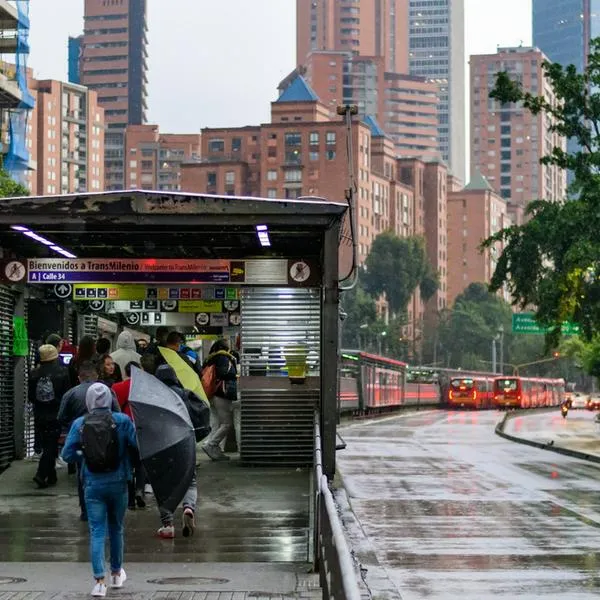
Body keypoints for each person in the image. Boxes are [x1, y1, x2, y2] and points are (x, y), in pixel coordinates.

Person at [61, 383, 137, 598]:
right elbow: (137, 445)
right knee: (117, 528)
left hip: (92, 484)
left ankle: (99, 582)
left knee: (97, 531)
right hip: (119, 481)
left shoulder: (80, 424)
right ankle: (116, 573)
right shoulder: (122, 421)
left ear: (89, 401)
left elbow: (67, 454)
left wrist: (83, 456)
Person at [58, 360, 120, 520]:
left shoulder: (70, 393)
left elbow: (61, 417)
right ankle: (107, 506)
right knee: (108, 469)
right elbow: (117, 413)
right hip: (107, 439)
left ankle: (86, 510)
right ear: (97, 376)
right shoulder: (107, 392)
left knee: (83, 473)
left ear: (79, 377)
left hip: (82, 441)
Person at [154, 364, 198, 539]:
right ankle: (188, 507)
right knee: (190, 480)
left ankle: (167, 524)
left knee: (163, 483)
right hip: (185, 440)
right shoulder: (184, 394)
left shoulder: (153, 396)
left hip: (162, 443)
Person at [28, 344, 71, 488]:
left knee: (47, 443)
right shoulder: (63, 372)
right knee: (51, 445)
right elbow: (66, 395)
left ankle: (51, 475)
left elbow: (31, 397)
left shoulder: (33, 374)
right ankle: (41, 474)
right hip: (56, 413)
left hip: (39, 414)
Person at [112, 361, 146, 510]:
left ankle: (130, 500)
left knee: (127, 463)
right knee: (140, 463)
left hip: (123, 428)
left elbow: (114, 408)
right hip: (140, 427)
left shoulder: (116, 387)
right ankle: (140, 490)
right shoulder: (146, 388)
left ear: (126, 372)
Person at [200, 339, 238, 462]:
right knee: (227, 424)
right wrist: (234, 373)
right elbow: (223, 373)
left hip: (211, 393)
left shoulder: (209, 359)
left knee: (216, 423)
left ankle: (215, 451)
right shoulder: (223, 357)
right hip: (221, 393)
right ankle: (211, 444)